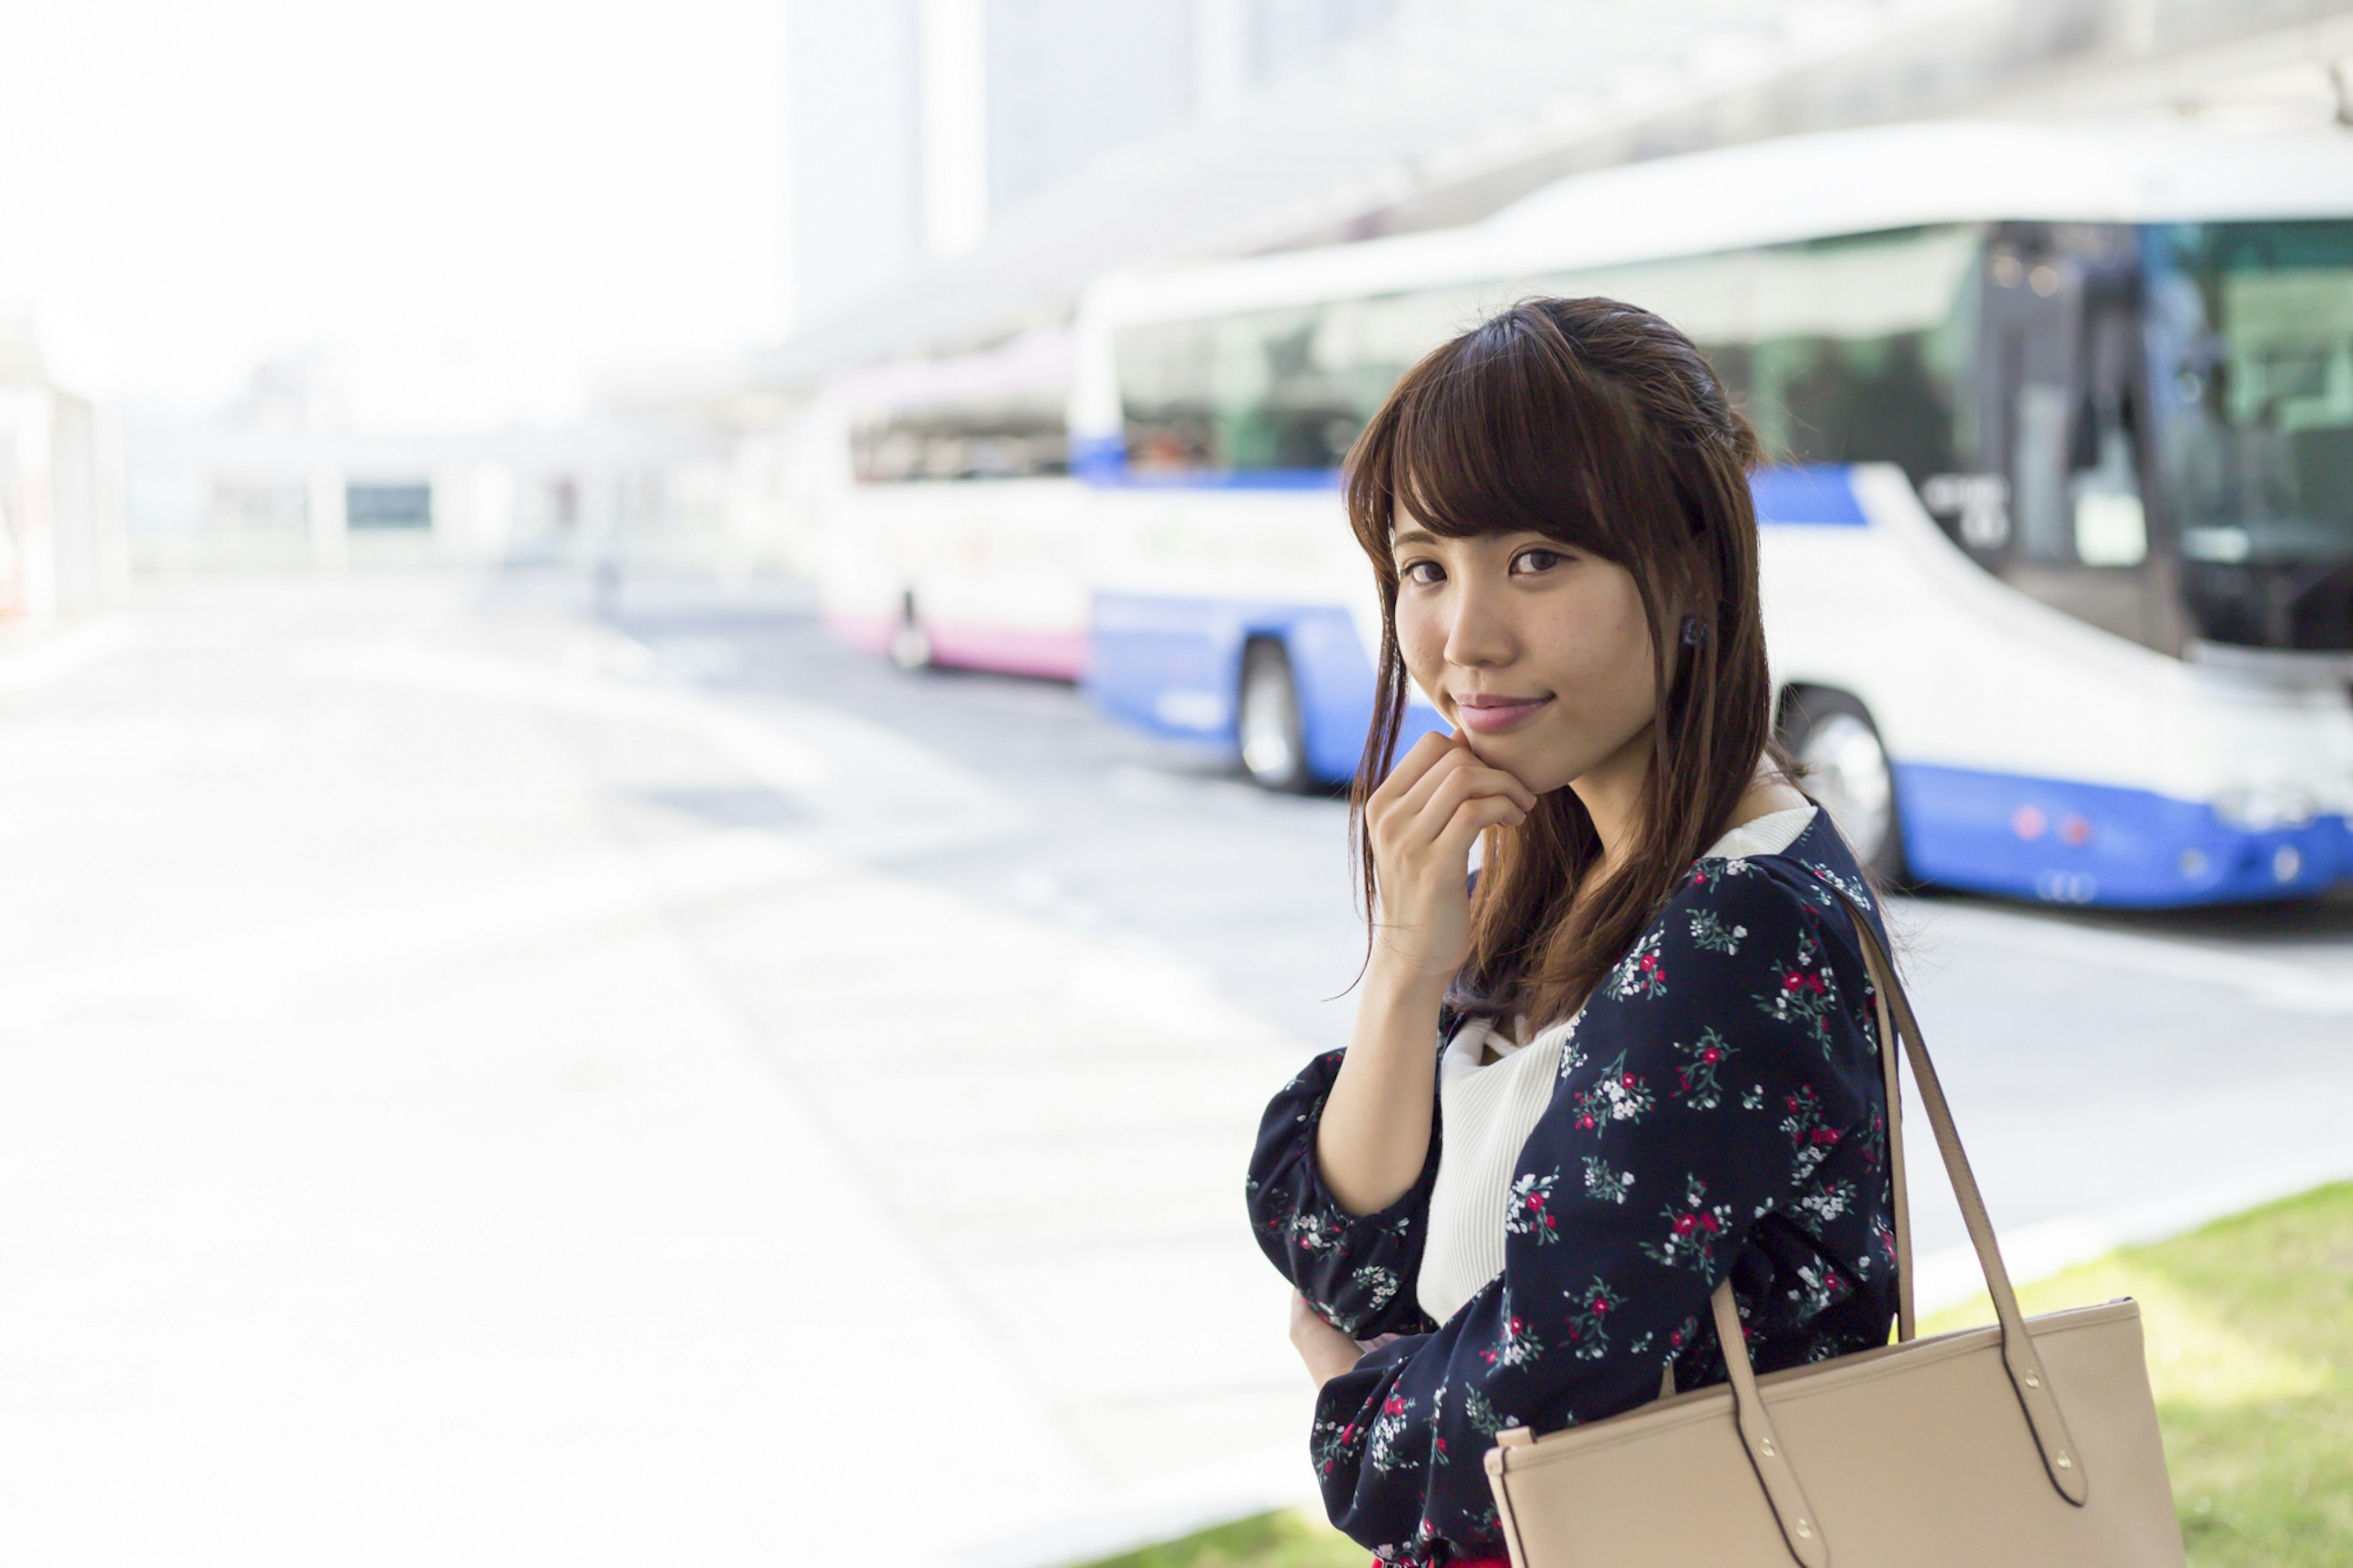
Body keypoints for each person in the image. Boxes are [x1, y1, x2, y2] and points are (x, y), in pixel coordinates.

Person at [1245, 298, 1899, 1567]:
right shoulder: (1577, 857)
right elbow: (1347, 1251)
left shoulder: (1739, 921)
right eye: (1426, 566)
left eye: (1537, 558)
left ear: (1694, 568)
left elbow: (1523, 1408)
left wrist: (1351, 1403)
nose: (1464, 638)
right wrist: (1404, 968)